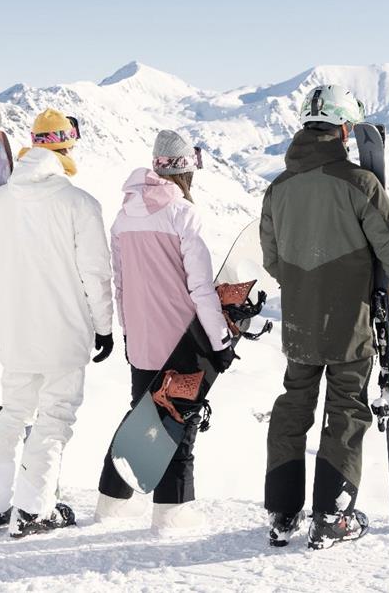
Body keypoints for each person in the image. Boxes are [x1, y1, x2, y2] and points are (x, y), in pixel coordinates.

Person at [260, 85, 389, 549]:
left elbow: (272, 258)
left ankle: (283, 513)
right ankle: (331, 516)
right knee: (346, 410)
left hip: (299, 321)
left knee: (293, 406)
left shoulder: (278, 188)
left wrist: (305, 286)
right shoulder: (359, 184)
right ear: (344, 129)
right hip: (349, 321)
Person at [0, 108, 114, 539]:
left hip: (16, 332)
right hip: (65, 331)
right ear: (67, 148)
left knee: (13, 413)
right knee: (53, 419)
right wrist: (104, 327)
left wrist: (0, 281)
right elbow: (95, 275)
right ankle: (32, 510)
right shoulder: (79, 204)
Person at [94, 129, 235, 532]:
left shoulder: (123, 217)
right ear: (187, 169)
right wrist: (220, 340)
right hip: (183, 340)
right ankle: (173, 510)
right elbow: (201, 288)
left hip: (142, 339)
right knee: (179, 421)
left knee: (141, 420)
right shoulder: (183, 214)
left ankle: (111, 502)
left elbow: (120, 285)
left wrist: (128, 335)